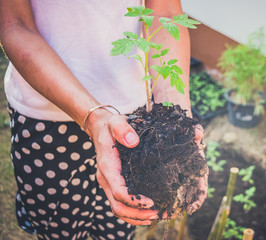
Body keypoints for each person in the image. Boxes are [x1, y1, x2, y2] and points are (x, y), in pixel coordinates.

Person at [0, 1, 208, 239]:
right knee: (58, 228)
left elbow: (166, 12)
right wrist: (94, 118)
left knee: (119, 225)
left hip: (131, 121)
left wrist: (177, 120)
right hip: (46, 117)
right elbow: (15, 25)